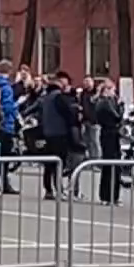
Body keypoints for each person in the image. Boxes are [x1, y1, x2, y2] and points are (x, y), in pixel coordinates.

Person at [39, 71, 79, 200]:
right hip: (59, 133)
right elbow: (68, 114)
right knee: (59, 163)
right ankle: (59, 190)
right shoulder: (59, 97)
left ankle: (48, 190)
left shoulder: (46, 97)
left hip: (47, 133)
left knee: (48, 164)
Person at [0, 61, 20, 194]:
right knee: (5, 157)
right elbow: (8, 107)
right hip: (6, 125)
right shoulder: (7, 88)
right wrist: (17, 105)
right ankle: (3, 182)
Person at [95, 80, 124, 205]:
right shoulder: (105, 103)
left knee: (111, 165)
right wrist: (121, 106)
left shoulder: (103, 102)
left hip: (109, 133)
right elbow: (117, 116)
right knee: (111, 165)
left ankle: (109, 195)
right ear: (107, 90)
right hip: (110, 134)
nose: (114, 93)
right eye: (113, 90)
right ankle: (109, 195)